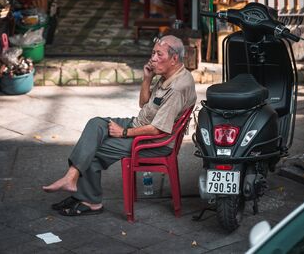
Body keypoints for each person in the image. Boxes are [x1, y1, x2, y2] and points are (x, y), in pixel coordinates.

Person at [43, 35, 197, 216]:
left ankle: (90, 201)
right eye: (153, 52)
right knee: (96, 124)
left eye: (159, 54)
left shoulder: (177, 87)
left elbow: (159, 129)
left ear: (174, 59)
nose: (153, 58)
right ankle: (73, 179)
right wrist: (147, 78)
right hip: (140, 124)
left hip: (154, 141)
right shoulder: (168, 74)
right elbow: (144, 104)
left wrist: (124, 132)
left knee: (94, 151)